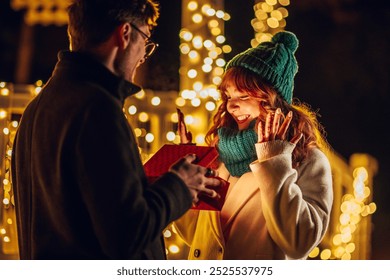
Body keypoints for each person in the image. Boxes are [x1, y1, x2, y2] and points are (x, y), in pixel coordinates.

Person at [10, 0, 220, 260]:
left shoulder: (38, 107)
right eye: (145, 39)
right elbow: (127, 235)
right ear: (125, 34)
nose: (144, 54)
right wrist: (179, 185)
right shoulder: (96, 110)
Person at [175, 31, 334, 260]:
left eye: (243, 96)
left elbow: (299, 243)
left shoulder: (308, 159)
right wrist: (188, 174)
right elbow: (194, 235)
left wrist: (274, 162)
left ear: (271, 100)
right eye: (228, 96)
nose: (231, 106)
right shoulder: (219, 154)